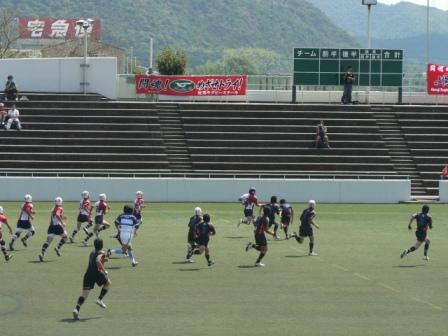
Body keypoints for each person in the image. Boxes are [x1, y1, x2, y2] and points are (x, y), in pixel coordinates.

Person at [72, 238, 111, 321]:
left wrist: (104, 260)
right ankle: (99, 299)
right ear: (102, 245)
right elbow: (97, 261)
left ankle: (76, 309)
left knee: (84, 294)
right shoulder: (102, 252)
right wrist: (105, 270)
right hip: (96, 273)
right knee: (108, 283)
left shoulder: (92, 252)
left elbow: (95, 260)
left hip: (88, 274)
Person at [38, 197, 68, 261]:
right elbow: (57, 215)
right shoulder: (60, 208)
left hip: (51, 226)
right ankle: (58, 247)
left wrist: (63, 217)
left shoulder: (53, 208)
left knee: (48, 241)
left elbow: (57, 215)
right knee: (65, 237)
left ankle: (42, 253)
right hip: (57, 226)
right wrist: (62, 222)